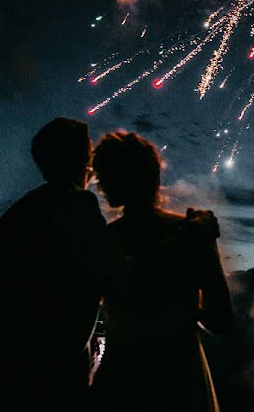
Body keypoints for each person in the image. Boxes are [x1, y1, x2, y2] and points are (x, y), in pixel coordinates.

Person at [90, 132, 233, 411]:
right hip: (180, 381)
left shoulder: (103, 240)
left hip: (122, 381)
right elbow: (222, 320)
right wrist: (186, 306)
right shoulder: (194, 231)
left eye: (102, 175)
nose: (100, 185)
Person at [0, 117, 106, 405]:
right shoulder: (78, 203)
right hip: (55, 364)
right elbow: (101, 274)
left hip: (8, 358)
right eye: (88, 154)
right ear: (82, 159)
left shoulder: (16, 213)